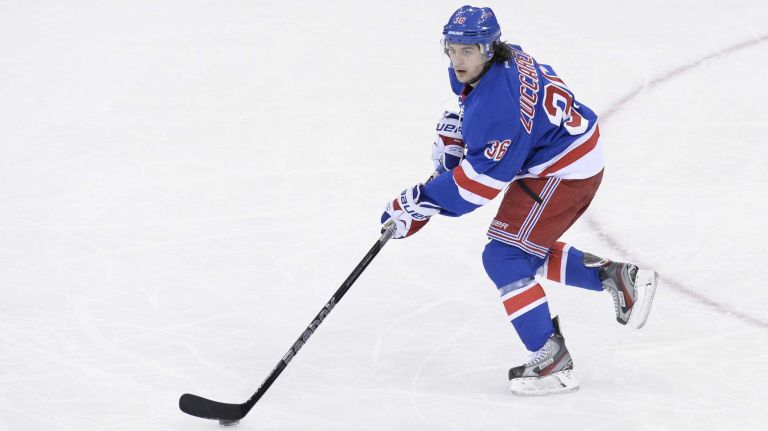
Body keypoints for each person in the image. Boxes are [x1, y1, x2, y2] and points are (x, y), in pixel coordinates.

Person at [380, 5, 659, 396]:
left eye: (468, 50)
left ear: (490, 48)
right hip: (561, 154)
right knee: (521, 249)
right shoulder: (505, 59)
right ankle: (616, 278)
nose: (458, 59)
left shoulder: (498, 107)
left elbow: (476, 188)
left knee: (504, 256)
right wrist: (460, 130)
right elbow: (480, 115)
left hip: (564, 170)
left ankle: (551, 361)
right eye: (452, 48)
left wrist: (418, 202)